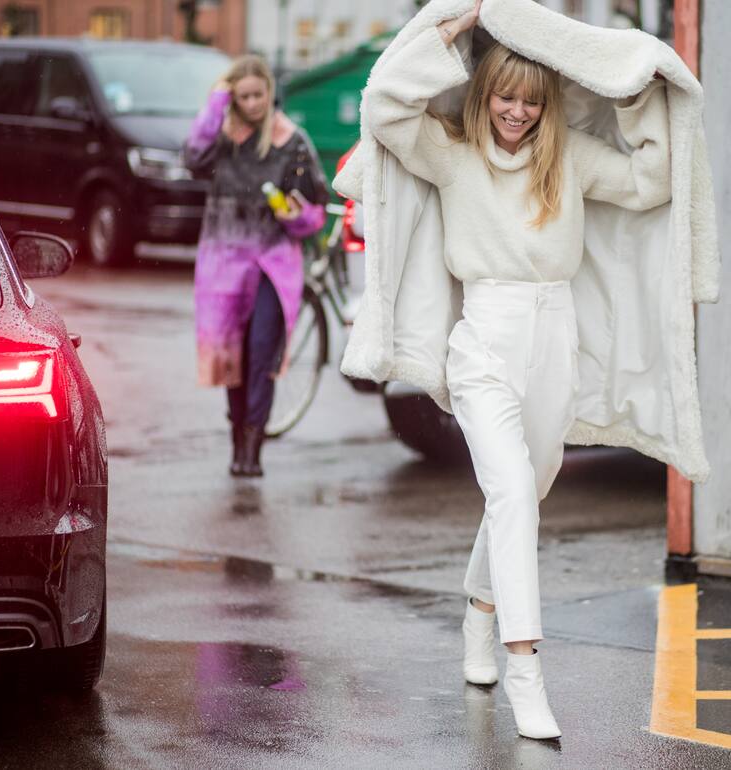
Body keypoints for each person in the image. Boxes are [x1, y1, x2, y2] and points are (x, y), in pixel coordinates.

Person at [361, 0, 671, 740]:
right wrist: (447, 27)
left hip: (554, 337)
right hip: (483, 341)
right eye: (505, 96)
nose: (516, 112)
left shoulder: (568, 158)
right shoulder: (452, 152)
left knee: (523, 494)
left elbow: (651, 181)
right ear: (484, 92)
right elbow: (383, 108)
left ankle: (479, 608)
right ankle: (526, 671)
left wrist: (635, 92)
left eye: (531, 101)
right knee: (509, 493)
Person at [184, 56, 328, 478]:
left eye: (257, 95)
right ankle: (237, 444)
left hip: (272, 263)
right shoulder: (222, 138)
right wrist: (216, 104)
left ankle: (252, 450)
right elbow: (192, 157)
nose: (251, 104)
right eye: (242, 96)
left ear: (270, 92)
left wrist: (295, 216)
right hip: (224, 261)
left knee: (261, 352)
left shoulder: (291, 140)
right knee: (232, 356)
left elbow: (315, 209)